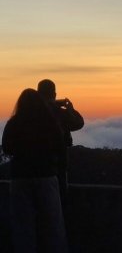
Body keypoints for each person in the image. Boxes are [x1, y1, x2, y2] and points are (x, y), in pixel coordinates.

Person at [2, 88, 68, 252]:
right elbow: (61, 148)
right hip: (46, 176)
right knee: (53, 222)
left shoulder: (14, 123)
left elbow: (7, 148)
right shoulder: (49, 123)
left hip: (20, 178)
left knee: (23, 224)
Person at [37, 78, 85, 206]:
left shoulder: (30, 113)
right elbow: (79, 123)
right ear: (54, 94)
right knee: (58, 205)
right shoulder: (60, 114)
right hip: (57, 165)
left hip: (32, 169)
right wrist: (70, 109)